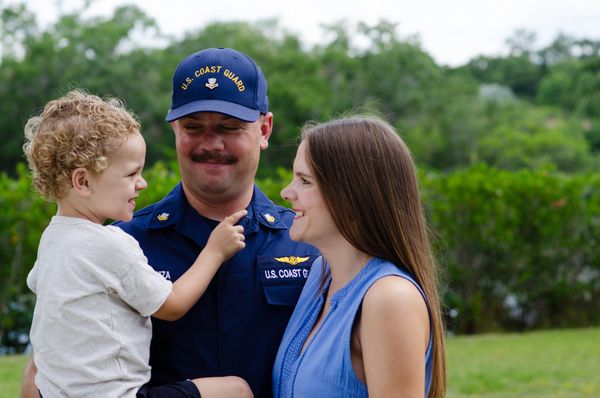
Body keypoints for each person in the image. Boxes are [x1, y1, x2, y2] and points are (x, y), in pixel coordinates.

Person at [22, 47, 319, 398]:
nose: (211, 144)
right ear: (175, 127)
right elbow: (44, 370)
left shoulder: (309, 242)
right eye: (194, 127)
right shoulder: (121, 239)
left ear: (264, 129)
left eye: (230, 127)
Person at [22, 89, 253, 397]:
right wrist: (214, 250)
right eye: (131, 174)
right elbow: (172, 305)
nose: (141, 183)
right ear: (83, 182)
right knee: (236, 390)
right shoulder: (108, 244)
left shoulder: (52, 239)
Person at [272, 115, 447, 398]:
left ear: (352, 197)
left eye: (304, 181)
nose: (286, 192)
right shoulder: (320, 274)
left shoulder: (390, 298)